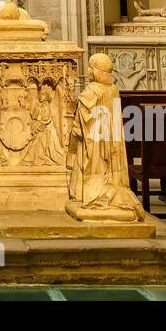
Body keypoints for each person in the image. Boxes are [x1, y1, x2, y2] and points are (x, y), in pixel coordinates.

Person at [67, 53, 143, 221]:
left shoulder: (91, 91)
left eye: (90, 67)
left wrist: (71, 147)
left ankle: (93, 195)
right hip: (110, 140)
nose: (88, 70)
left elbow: (80, 124)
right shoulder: (114, 90)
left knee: (90, 168)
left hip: (94, 143)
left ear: (96, 71)